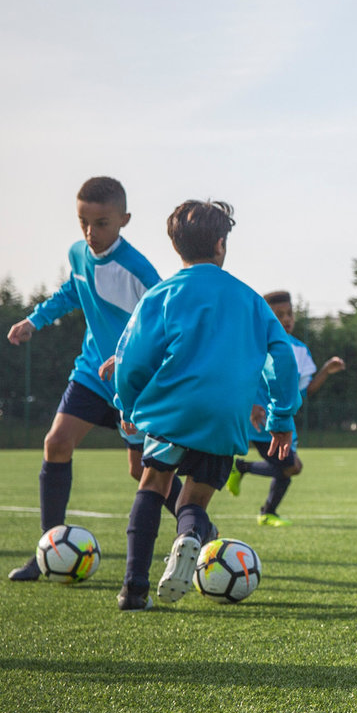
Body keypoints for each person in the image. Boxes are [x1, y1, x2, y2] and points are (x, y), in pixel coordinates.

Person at [110, 201, 300, 611]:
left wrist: (127, 405)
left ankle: (134, 589)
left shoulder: (162, 295)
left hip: (171, 412)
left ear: (176, 246)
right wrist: (282, 418)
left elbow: (132, 359)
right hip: (224, 418)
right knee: (193, 502)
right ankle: (191, 536)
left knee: (153, 484)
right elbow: (281, 357)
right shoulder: (250, 300)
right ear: (220, 244)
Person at [3, 176, 162, 581]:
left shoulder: (139, 271)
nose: (91, 233)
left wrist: (135, 376)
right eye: (83, 222)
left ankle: (197, 531)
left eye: (102, 223)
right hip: (92, 373)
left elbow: (165, 327)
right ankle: (47, 552)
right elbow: (73, 292)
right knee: (56, 444)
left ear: (124, 219)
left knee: (140, 470)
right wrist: (35, 320)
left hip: (133, 385)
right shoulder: (79, 254)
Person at [226, 290, 344, 526]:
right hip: (261, 424)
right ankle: (247, 477)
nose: (286, 319)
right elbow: (237, 378)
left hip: (284, 423)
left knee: (288, 467)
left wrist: (325, 371)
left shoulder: (300, 349)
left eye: (289, 313)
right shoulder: (255, 345)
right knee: (292, 466)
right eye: (279, 315)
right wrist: (251, 406)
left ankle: (267, 509)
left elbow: (305, 391)